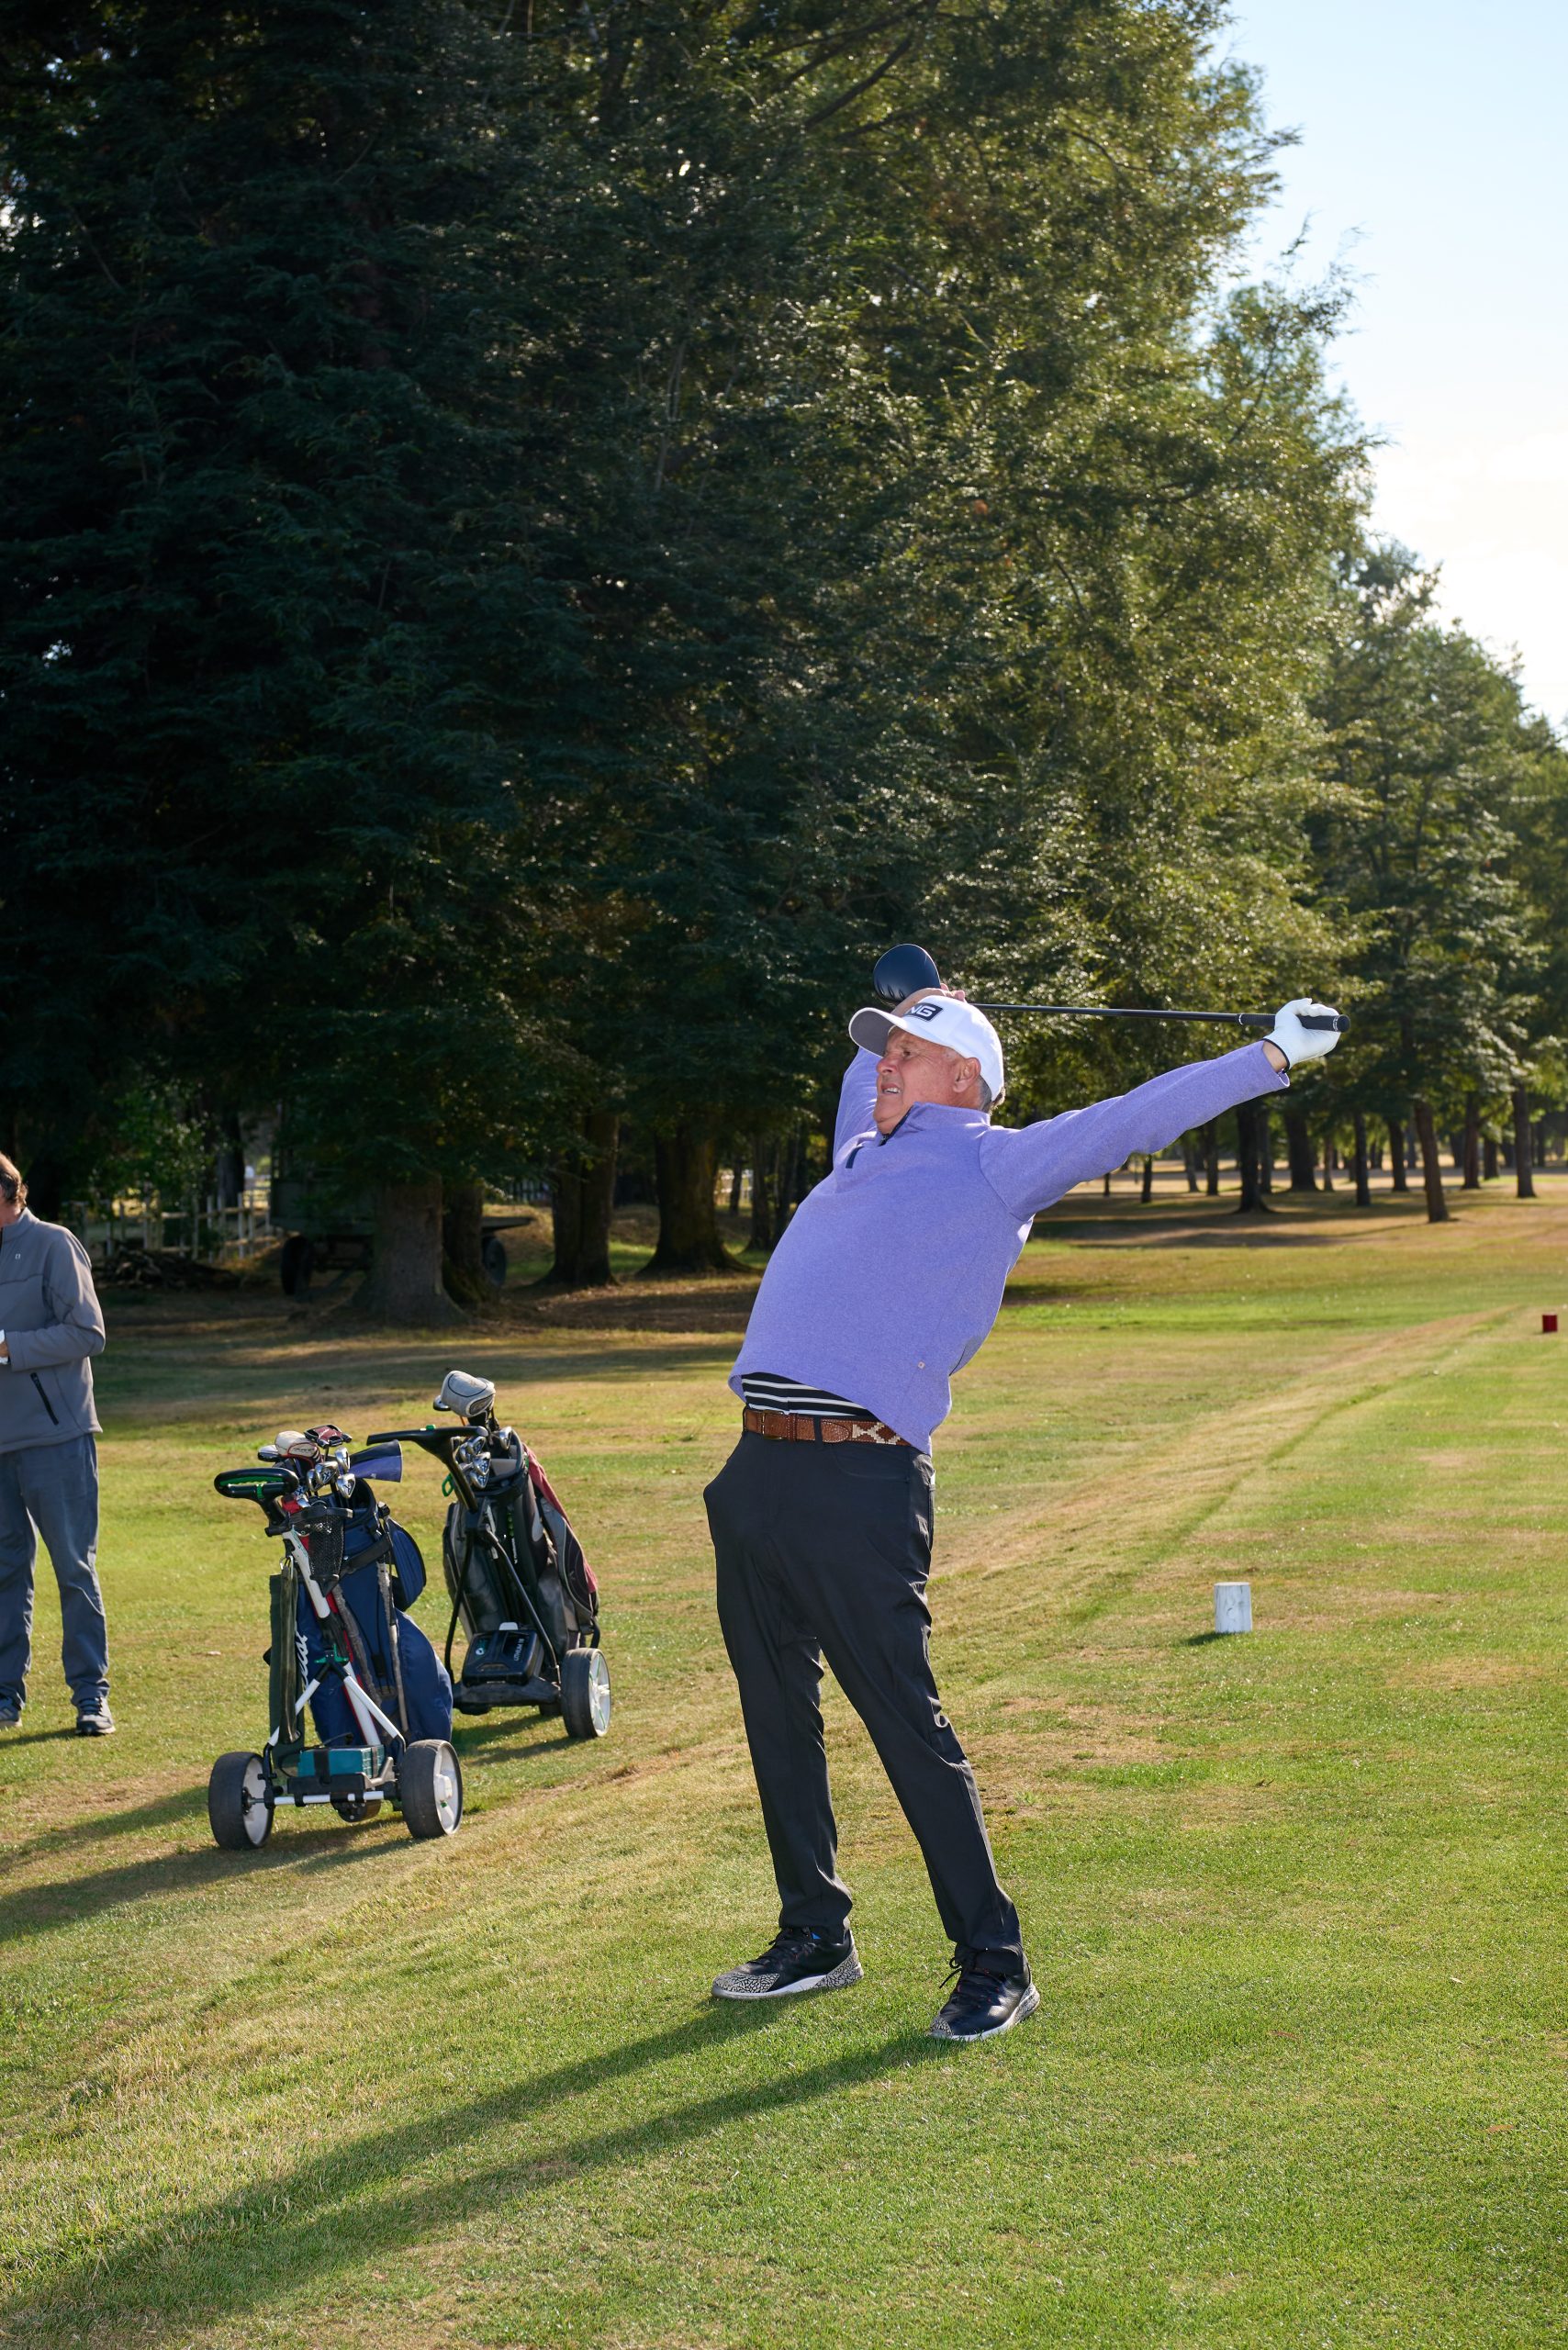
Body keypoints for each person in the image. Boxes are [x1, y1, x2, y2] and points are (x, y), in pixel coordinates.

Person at [705, 979, 1340, 2040]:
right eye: (882, 1053)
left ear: (964, 1078)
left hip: (859, 1481)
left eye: (904, 1054)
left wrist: (1266, 1057)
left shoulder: (994, 1163)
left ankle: (994, 1960)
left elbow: (1133, 1117)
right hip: (756, 1471)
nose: (881, 1067)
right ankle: (814, 1933)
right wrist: (903, 995)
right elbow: (863, 1070)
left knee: (904, 1723)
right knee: (776, 1714)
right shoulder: (860, 1149)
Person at [0, 1153, 113, 1734]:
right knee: (4, 1573)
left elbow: (87, 1333)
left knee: (73, 1569)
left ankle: (92, 1697)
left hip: (56, 1438)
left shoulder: (54, 1244)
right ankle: (4, 1697)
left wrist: (7, 1347)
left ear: (6, 1192)